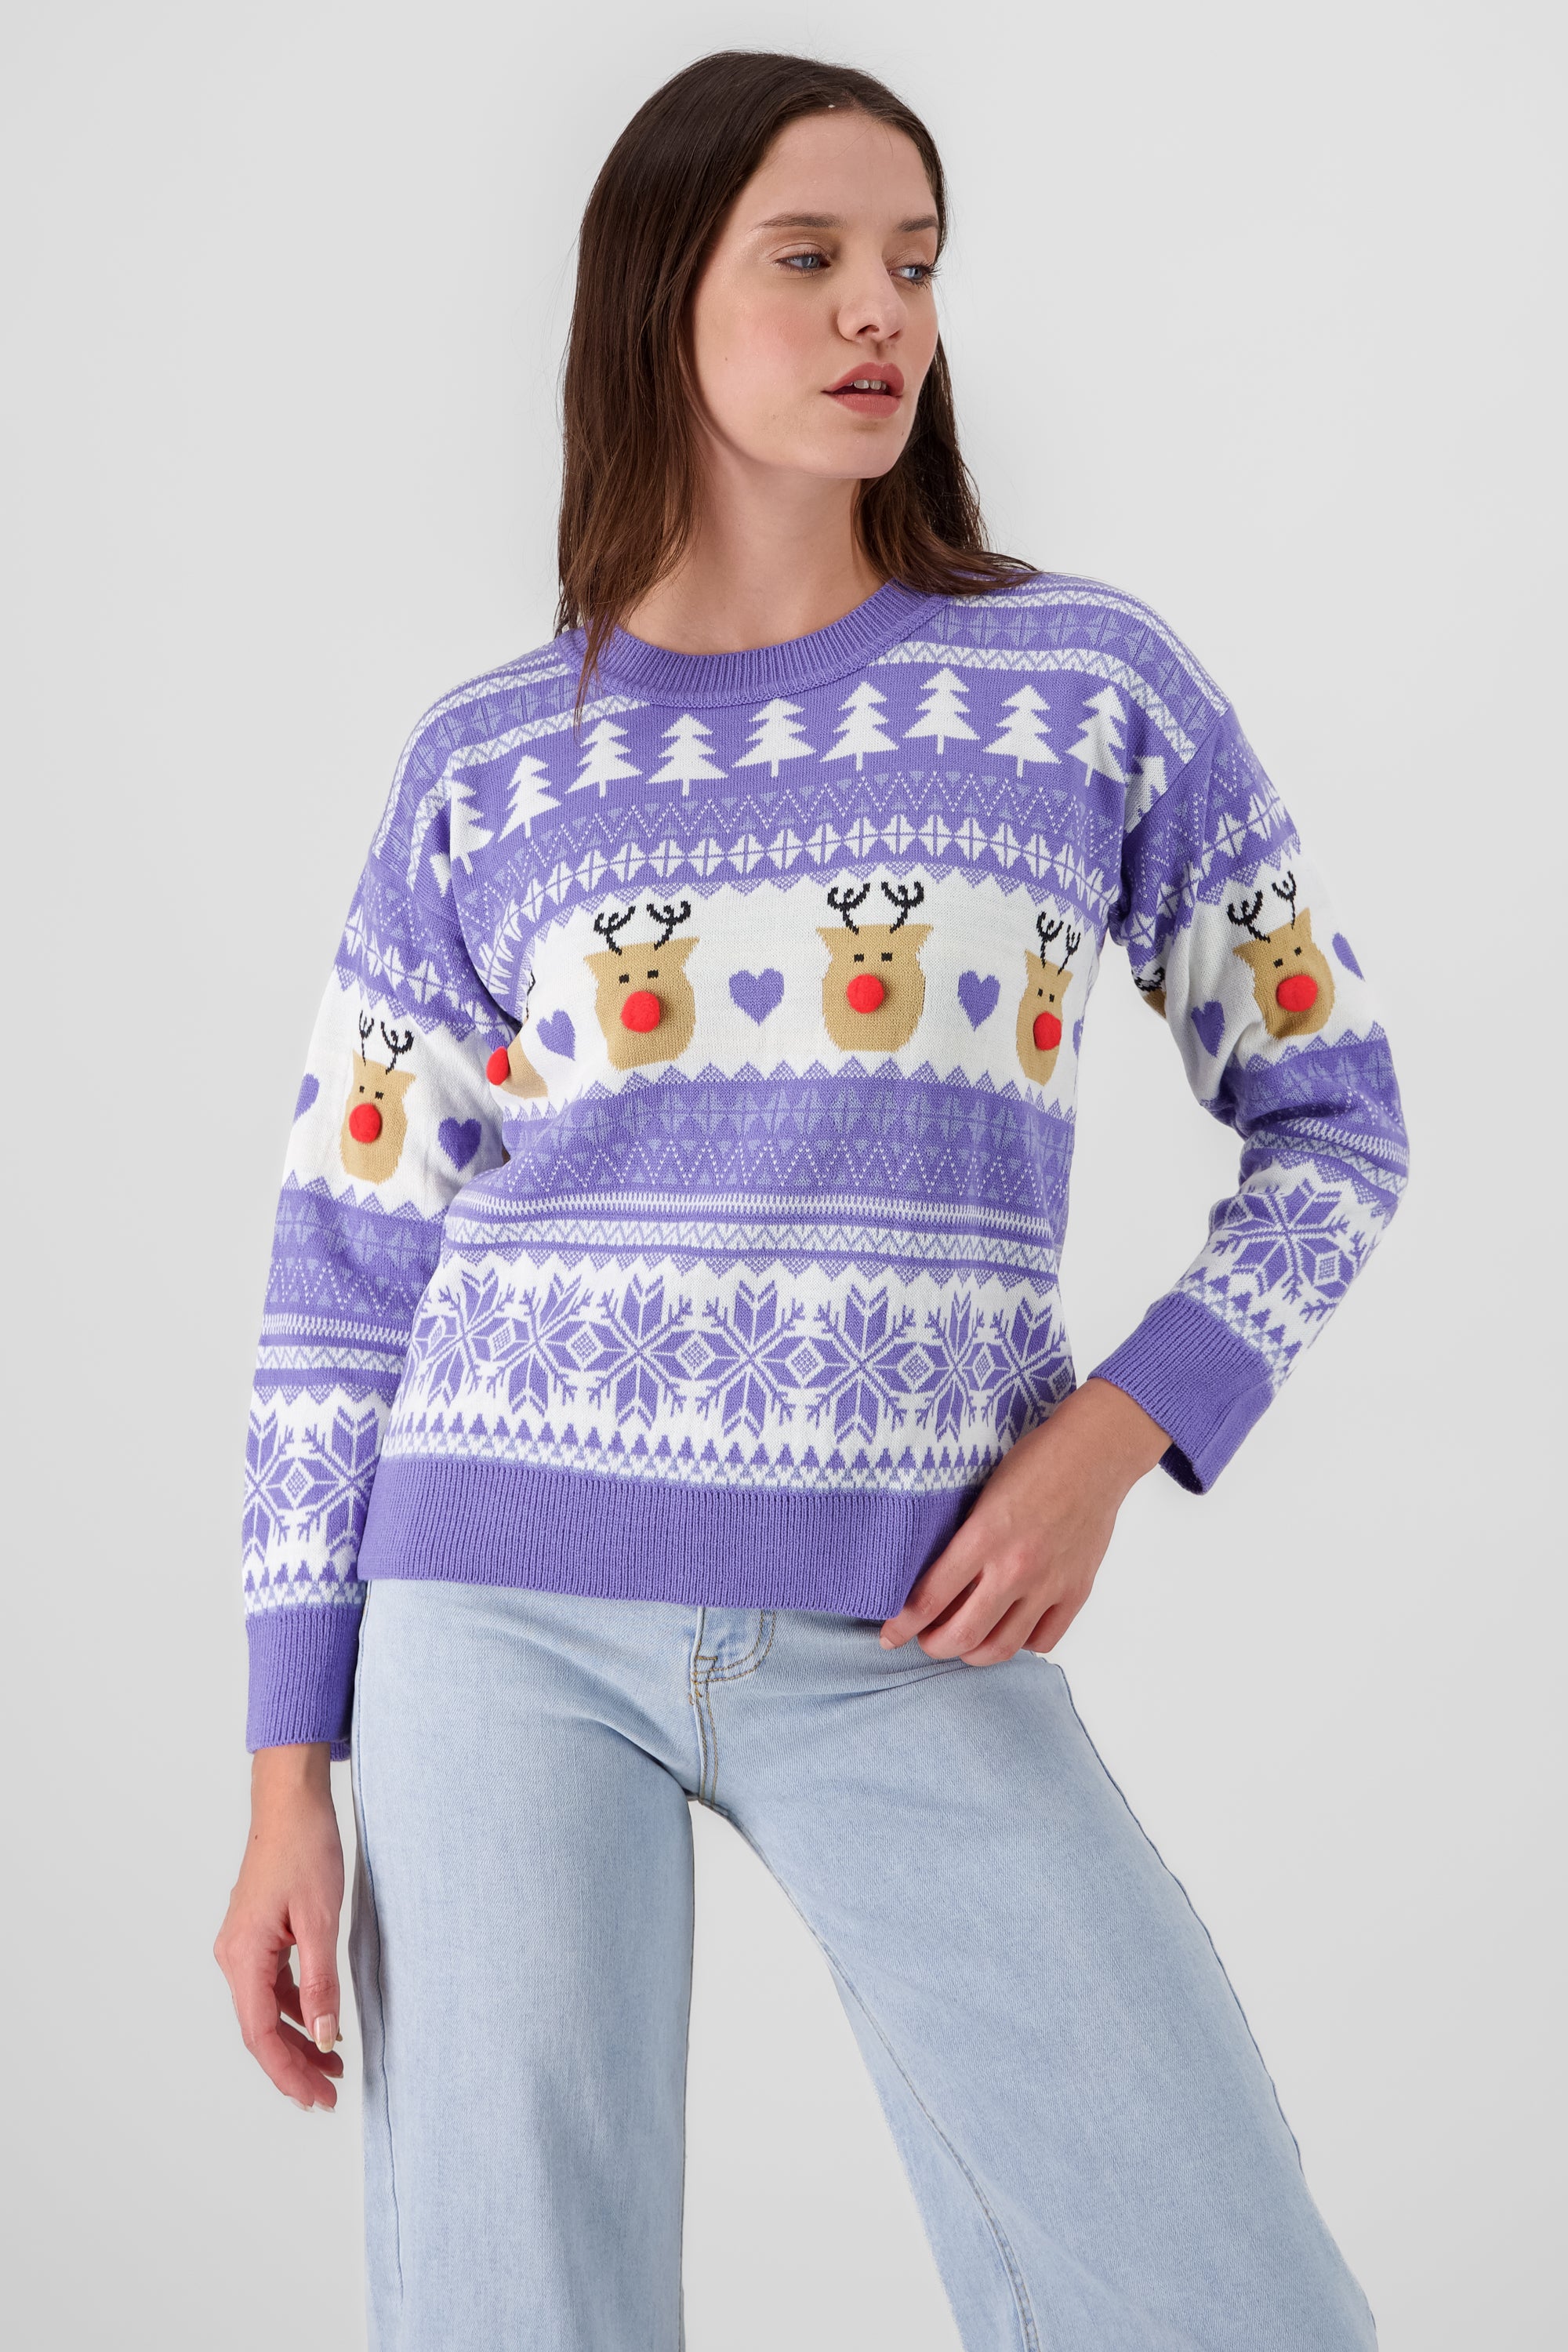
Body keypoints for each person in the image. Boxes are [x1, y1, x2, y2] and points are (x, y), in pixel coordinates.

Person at [215, 49, 1406, 2352]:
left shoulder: (1085, 690)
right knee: (520, 2313)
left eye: (916, 264)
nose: (884, 313)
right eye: (813, 257)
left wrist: (1120, 1431)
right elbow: (341, 1271)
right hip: (492, 1615)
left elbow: (1338, 1117)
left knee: (1226, 2291)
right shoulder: (490, 761)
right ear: (661, 295)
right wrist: (290, 1774)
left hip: (912, 1617)